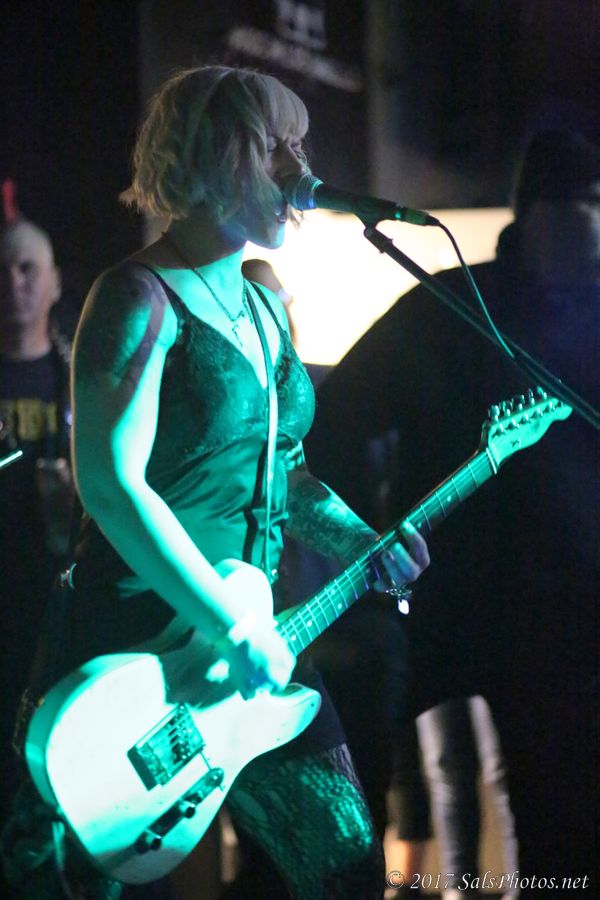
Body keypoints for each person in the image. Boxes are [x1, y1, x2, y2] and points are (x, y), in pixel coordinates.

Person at [6, 66, 430, 900]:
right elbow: (110, 484)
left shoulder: (265, 304)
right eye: (276, 148)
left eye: (301, 146)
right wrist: (227, 623)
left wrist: (364, 543)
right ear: (209, 157)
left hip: (254, 637)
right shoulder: (136, 297)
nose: (301, 168)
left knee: (348, 868)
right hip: (136, 647)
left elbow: (286, 472)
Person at [305, 129, 599, 897]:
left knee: (561, 837)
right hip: (433, 596)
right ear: (538, 210)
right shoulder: (448, 304)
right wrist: (362, 538)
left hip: (563, 619)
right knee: (350, 759)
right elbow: (332, 424)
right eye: (585, 206)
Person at [0, 217, 75, 896]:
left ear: (53, 283)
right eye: (4, 270)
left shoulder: (78, 377)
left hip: (62, 613)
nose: (14, 282)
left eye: (28, 268)